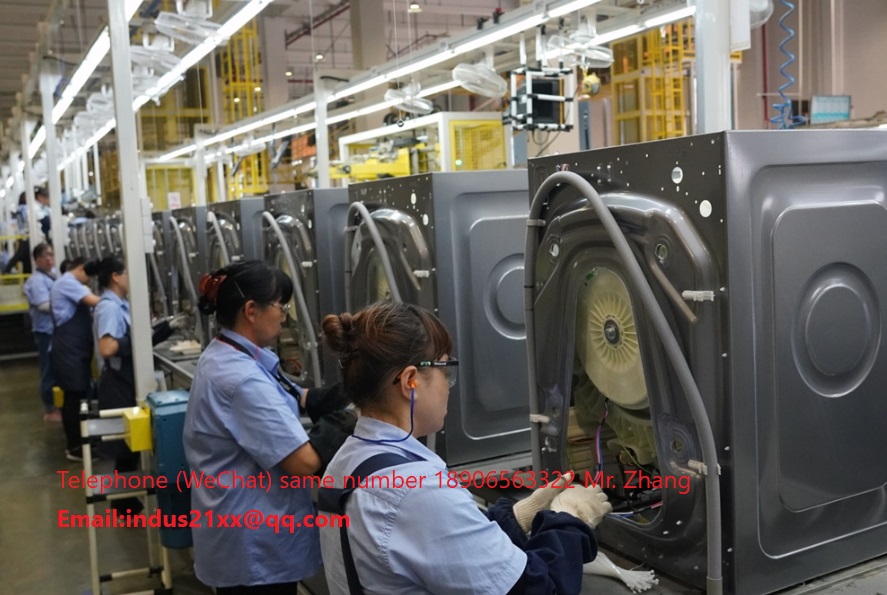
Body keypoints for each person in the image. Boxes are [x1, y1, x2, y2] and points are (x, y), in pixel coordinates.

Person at [318, 301, 611, 595]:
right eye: (445, 369)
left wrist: (518, 517)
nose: (448, 385)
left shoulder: (347, 461)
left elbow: (446, 550)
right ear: (410, 381)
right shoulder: (416, 490)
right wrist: (570, 518)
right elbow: (541, 590)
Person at [183, 260, 355, 594]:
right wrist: (350, 418)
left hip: (236, 526)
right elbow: (303, 463)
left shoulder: (225, 354)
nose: (284, 317)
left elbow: (293, 397)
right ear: (251, 310)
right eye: (281, 307)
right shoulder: (241, 378)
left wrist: (348, 391)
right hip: (253, 544)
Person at [51, 256, 100, 461]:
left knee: (78, 397)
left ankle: (81, 442)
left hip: (75, 351)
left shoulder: (68, 283)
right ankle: (75, 447)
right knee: (74, 398)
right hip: (69, 351)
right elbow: (95, 302)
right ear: (80, 269)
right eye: (89, 276)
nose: (89, 280)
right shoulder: (67, 283)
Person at [22, 242, 60, 421]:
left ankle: (56, 404)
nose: (49, 259)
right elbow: (43, 305)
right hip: (45, 331)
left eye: (51, 255)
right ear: (36, 260)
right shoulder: (37, 280)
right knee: (48, 369)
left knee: (54, 367)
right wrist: (66, 304)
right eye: (44, 256)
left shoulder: (51, 276)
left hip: (54, 330)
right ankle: (50, 409)